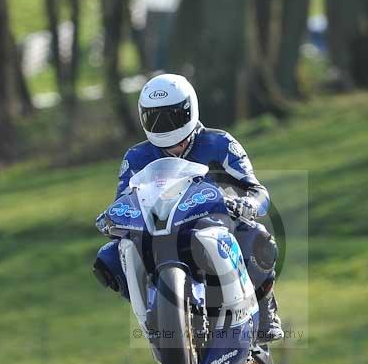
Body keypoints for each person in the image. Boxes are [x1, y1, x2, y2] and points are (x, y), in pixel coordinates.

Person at [94, 72, 284, 343]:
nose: (165, 127)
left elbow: (256, 190)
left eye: (172, 117)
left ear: (189, 109)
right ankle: (154, 309)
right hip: (158, 230)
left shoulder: (221, 143)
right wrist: (110, 219)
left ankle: (265, 309)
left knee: (259, 238)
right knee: (109, 257)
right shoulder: (136, 156)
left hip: (214, 224)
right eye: (155, 118)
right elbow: (122, 202)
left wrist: (247, 204)